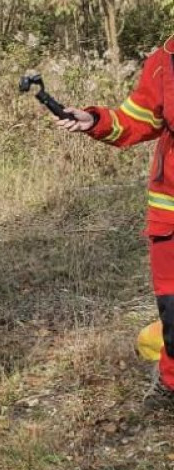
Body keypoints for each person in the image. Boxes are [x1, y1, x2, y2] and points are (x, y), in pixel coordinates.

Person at [53, 36, 174, 408]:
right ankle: (171, 386)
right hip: (170, 215)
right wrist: (95, 120)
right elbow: (135, 120)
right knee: (173, 312)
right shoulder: (165, 59)